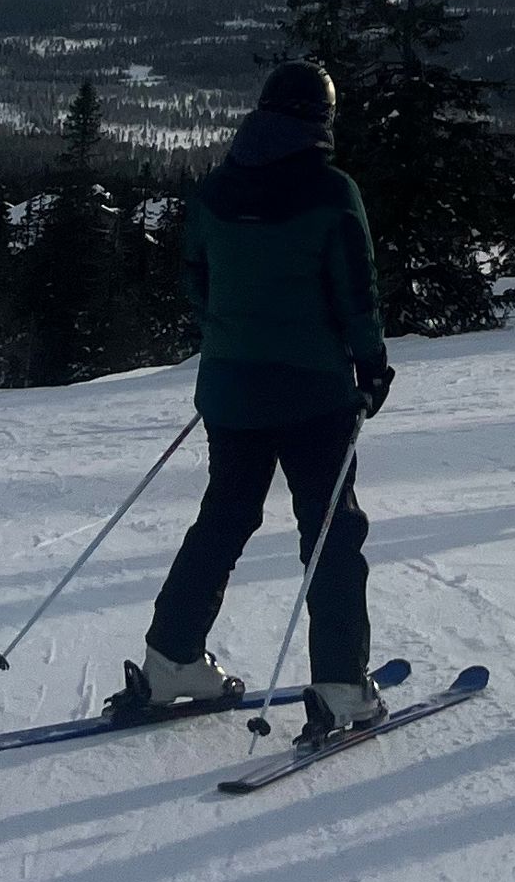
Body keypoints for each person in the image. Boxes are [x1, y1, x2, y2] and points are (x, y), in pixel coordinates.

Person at [123, 60, 395, 738]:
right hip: (314, 392)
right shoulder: (333, 191)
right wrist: (371, 365)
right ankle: (339, 683)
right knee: (331, 530)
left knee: (225, 517)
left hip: (232, 387)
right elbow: (356, 292)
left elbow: (196, 281)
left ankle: (172, 660)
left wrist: (232, 339)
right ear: (320, 120)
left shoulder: (217, 189)